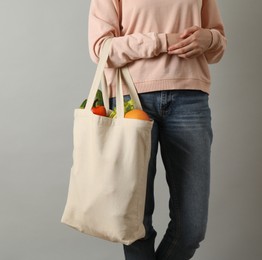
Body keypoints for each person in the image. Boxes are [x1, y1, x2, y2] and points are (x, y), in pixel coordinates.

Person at [88, 0, 227, 259]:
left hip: (190, 99)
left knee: (191, 229)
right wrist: (161, 42)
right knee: (135, 224)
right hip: (132, 100)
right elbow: (100, 49)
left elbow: (217, 46)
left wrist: (208, 39)